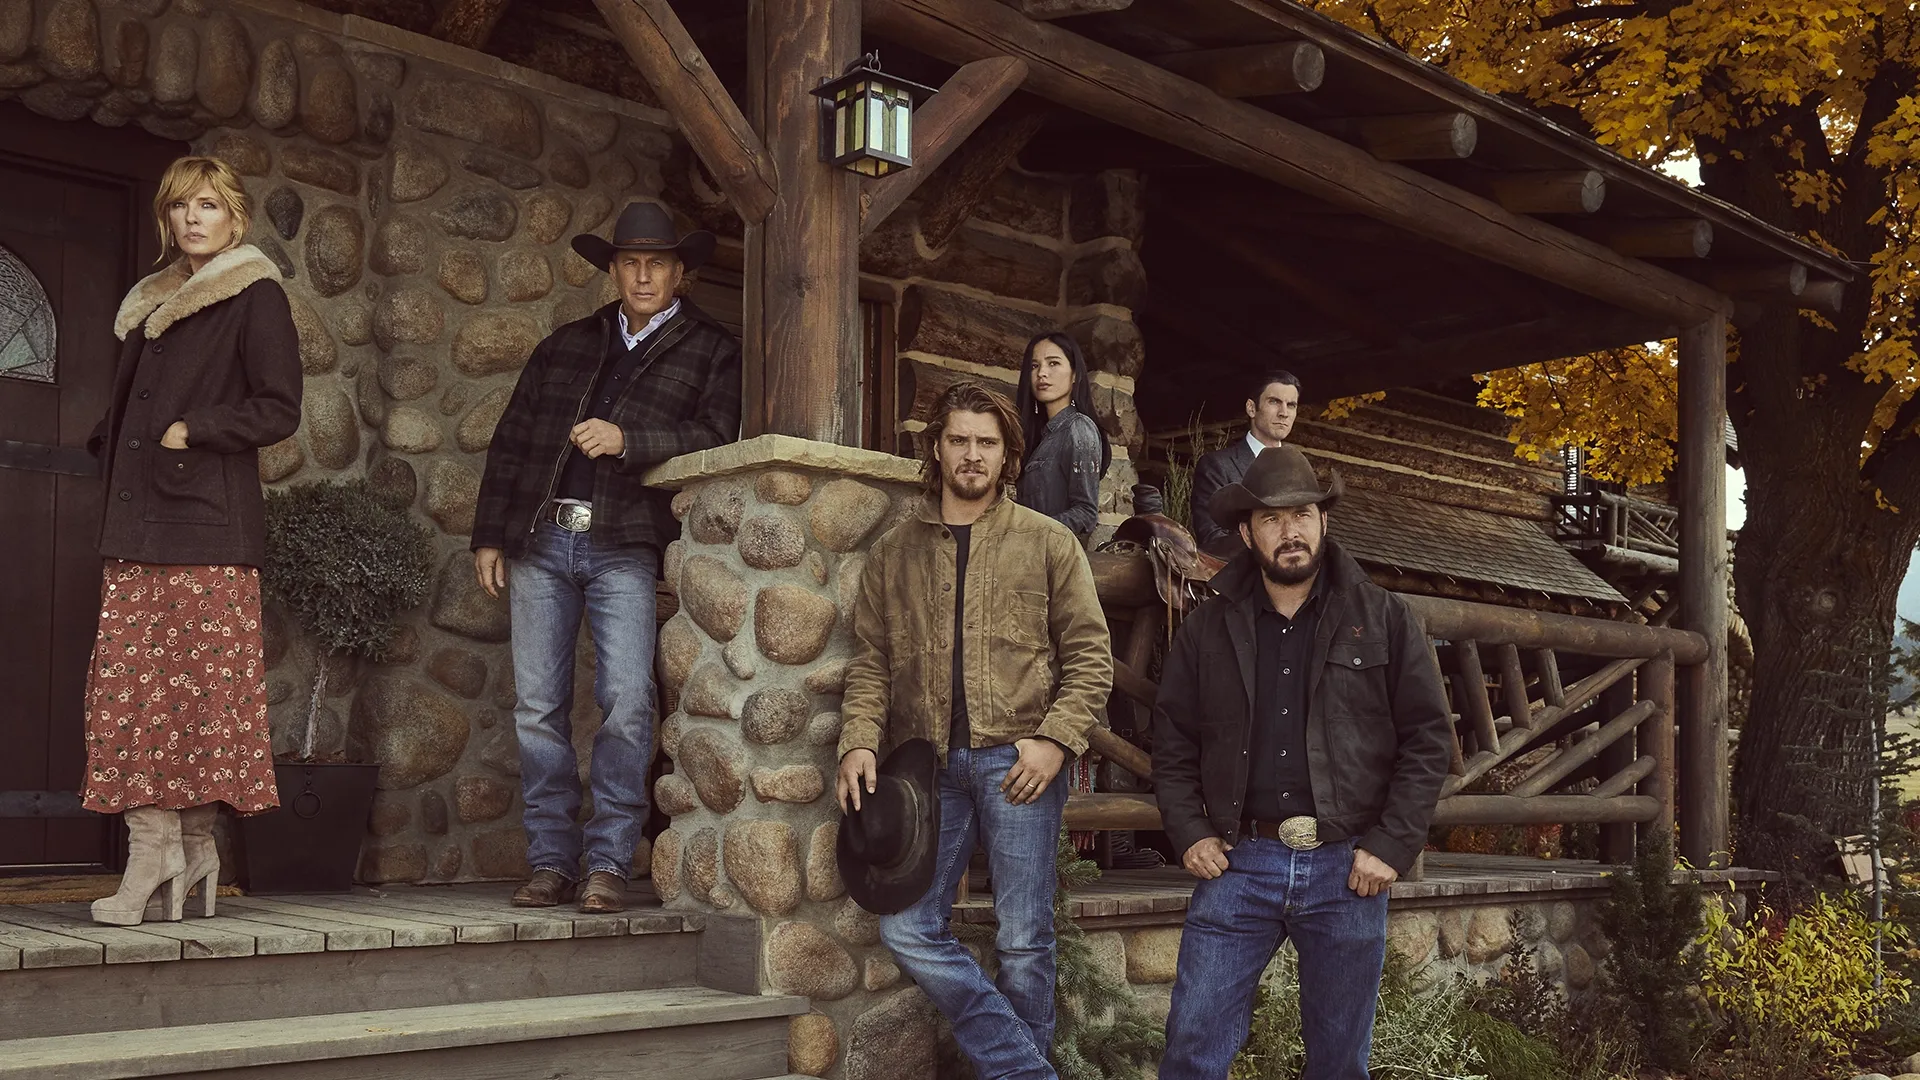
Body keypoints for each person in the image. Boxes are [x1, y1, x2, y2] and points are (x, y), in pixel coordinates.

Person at [836, 381, 1113, 1080]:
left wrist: (1055, 741)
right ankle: (1027, 1071)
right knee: (907, 927)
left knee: (1024, 941)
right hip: (925, 772)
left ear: (1007, 455)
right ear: (936, 448)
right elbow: (870, 661)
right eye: (958, 439)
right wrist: (859, 739)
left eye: (986, 442)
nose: (972, 454)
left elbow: (1090, 656)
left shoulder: (1047, 542)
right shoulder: (895, 552)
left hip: (1019, 763)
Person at [471, 201, 742, 914]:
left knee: (627, 701)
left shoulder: (713, 348)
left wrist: (630, 442)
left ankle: (609, 862)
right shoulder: (566, 343)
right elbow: (512, 438)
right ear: (614, 271)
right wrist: (490, 534)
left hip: (625, 543)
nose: (643, 275)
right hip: (542, 539)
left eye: (657, 263)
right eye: (630, 263)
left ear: (679, 274)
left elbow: (717, 434)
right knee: (537, 707)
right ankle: (550, 861)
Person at [1153, 446, 1453, 1079]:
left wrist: (1391, 844)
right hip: (1239, 862)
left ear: (1324, 521)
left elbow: (1429, 739)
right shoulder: (1207, 628)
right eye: (1271, 518)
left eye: (1302, 515)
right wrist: (1190, 830)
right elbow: (1172, 738)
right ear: (1246, 533)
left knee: (1339, 1064)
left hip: (1348, 868)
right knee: (1192, 1047)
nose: (1289, 531)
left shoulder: (1385, 618)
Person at [82, 156, 302, 926]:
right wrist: (111, 437)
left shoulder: (255, 293)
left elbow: (279, 407)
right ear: (167, 219)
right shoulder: (154, 299)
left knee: (199, 697)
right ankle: (179, 850)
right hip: (140, 520)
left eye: (208, 204)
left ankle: (173, 853)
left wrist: (193, 429)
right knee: (135, 693)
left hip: (206, 526)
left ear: (234, 215)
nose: (192, 219)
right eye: (180, 207)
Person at [1188, 370, 1302, 559]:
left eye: (1291, 405)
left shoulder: (1299, 470)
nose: (1284, 413)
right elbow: (1213, 539)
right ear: (1251, 408)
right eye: (1274, 402)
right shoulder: (1218, 466)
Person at [1013, 331, 1111, 542]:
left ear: (1075, 374)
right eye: (1034, 366)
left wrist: (1031, 534)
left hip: (1056, 555)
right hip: (1028, 554)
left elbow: (1086, 513)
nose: (1042, 373)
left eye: (1053, 363)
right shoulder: (1042, 436)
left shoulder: (1079, 428)